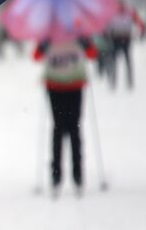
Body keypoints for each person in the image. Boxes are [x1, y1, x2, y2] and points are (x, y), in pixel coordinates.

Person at [33, 37, 98, 196]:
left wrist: (85, 43)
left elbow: (93, 53)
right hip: (55, 86)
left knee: (73, 129)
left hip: (74, 85)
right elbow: (36, 56)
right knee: (59, 128)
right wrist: (44, 45)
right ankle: (57, 175)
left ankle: (77, 175)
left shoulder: (78, 32)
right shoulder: (49, 32)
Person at [106, 0, 146, 89]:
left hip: (125, 39)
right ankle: (114, 81)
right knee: (114, 61)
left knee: (126, 60)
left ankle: (129, 81)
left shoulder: (130, 12)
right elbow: (105, 24)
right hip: (115, 39)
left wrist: (142, 31)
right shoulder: (111, 13)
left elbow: (140, 22)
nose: (120, 7)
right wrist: (105, 34)